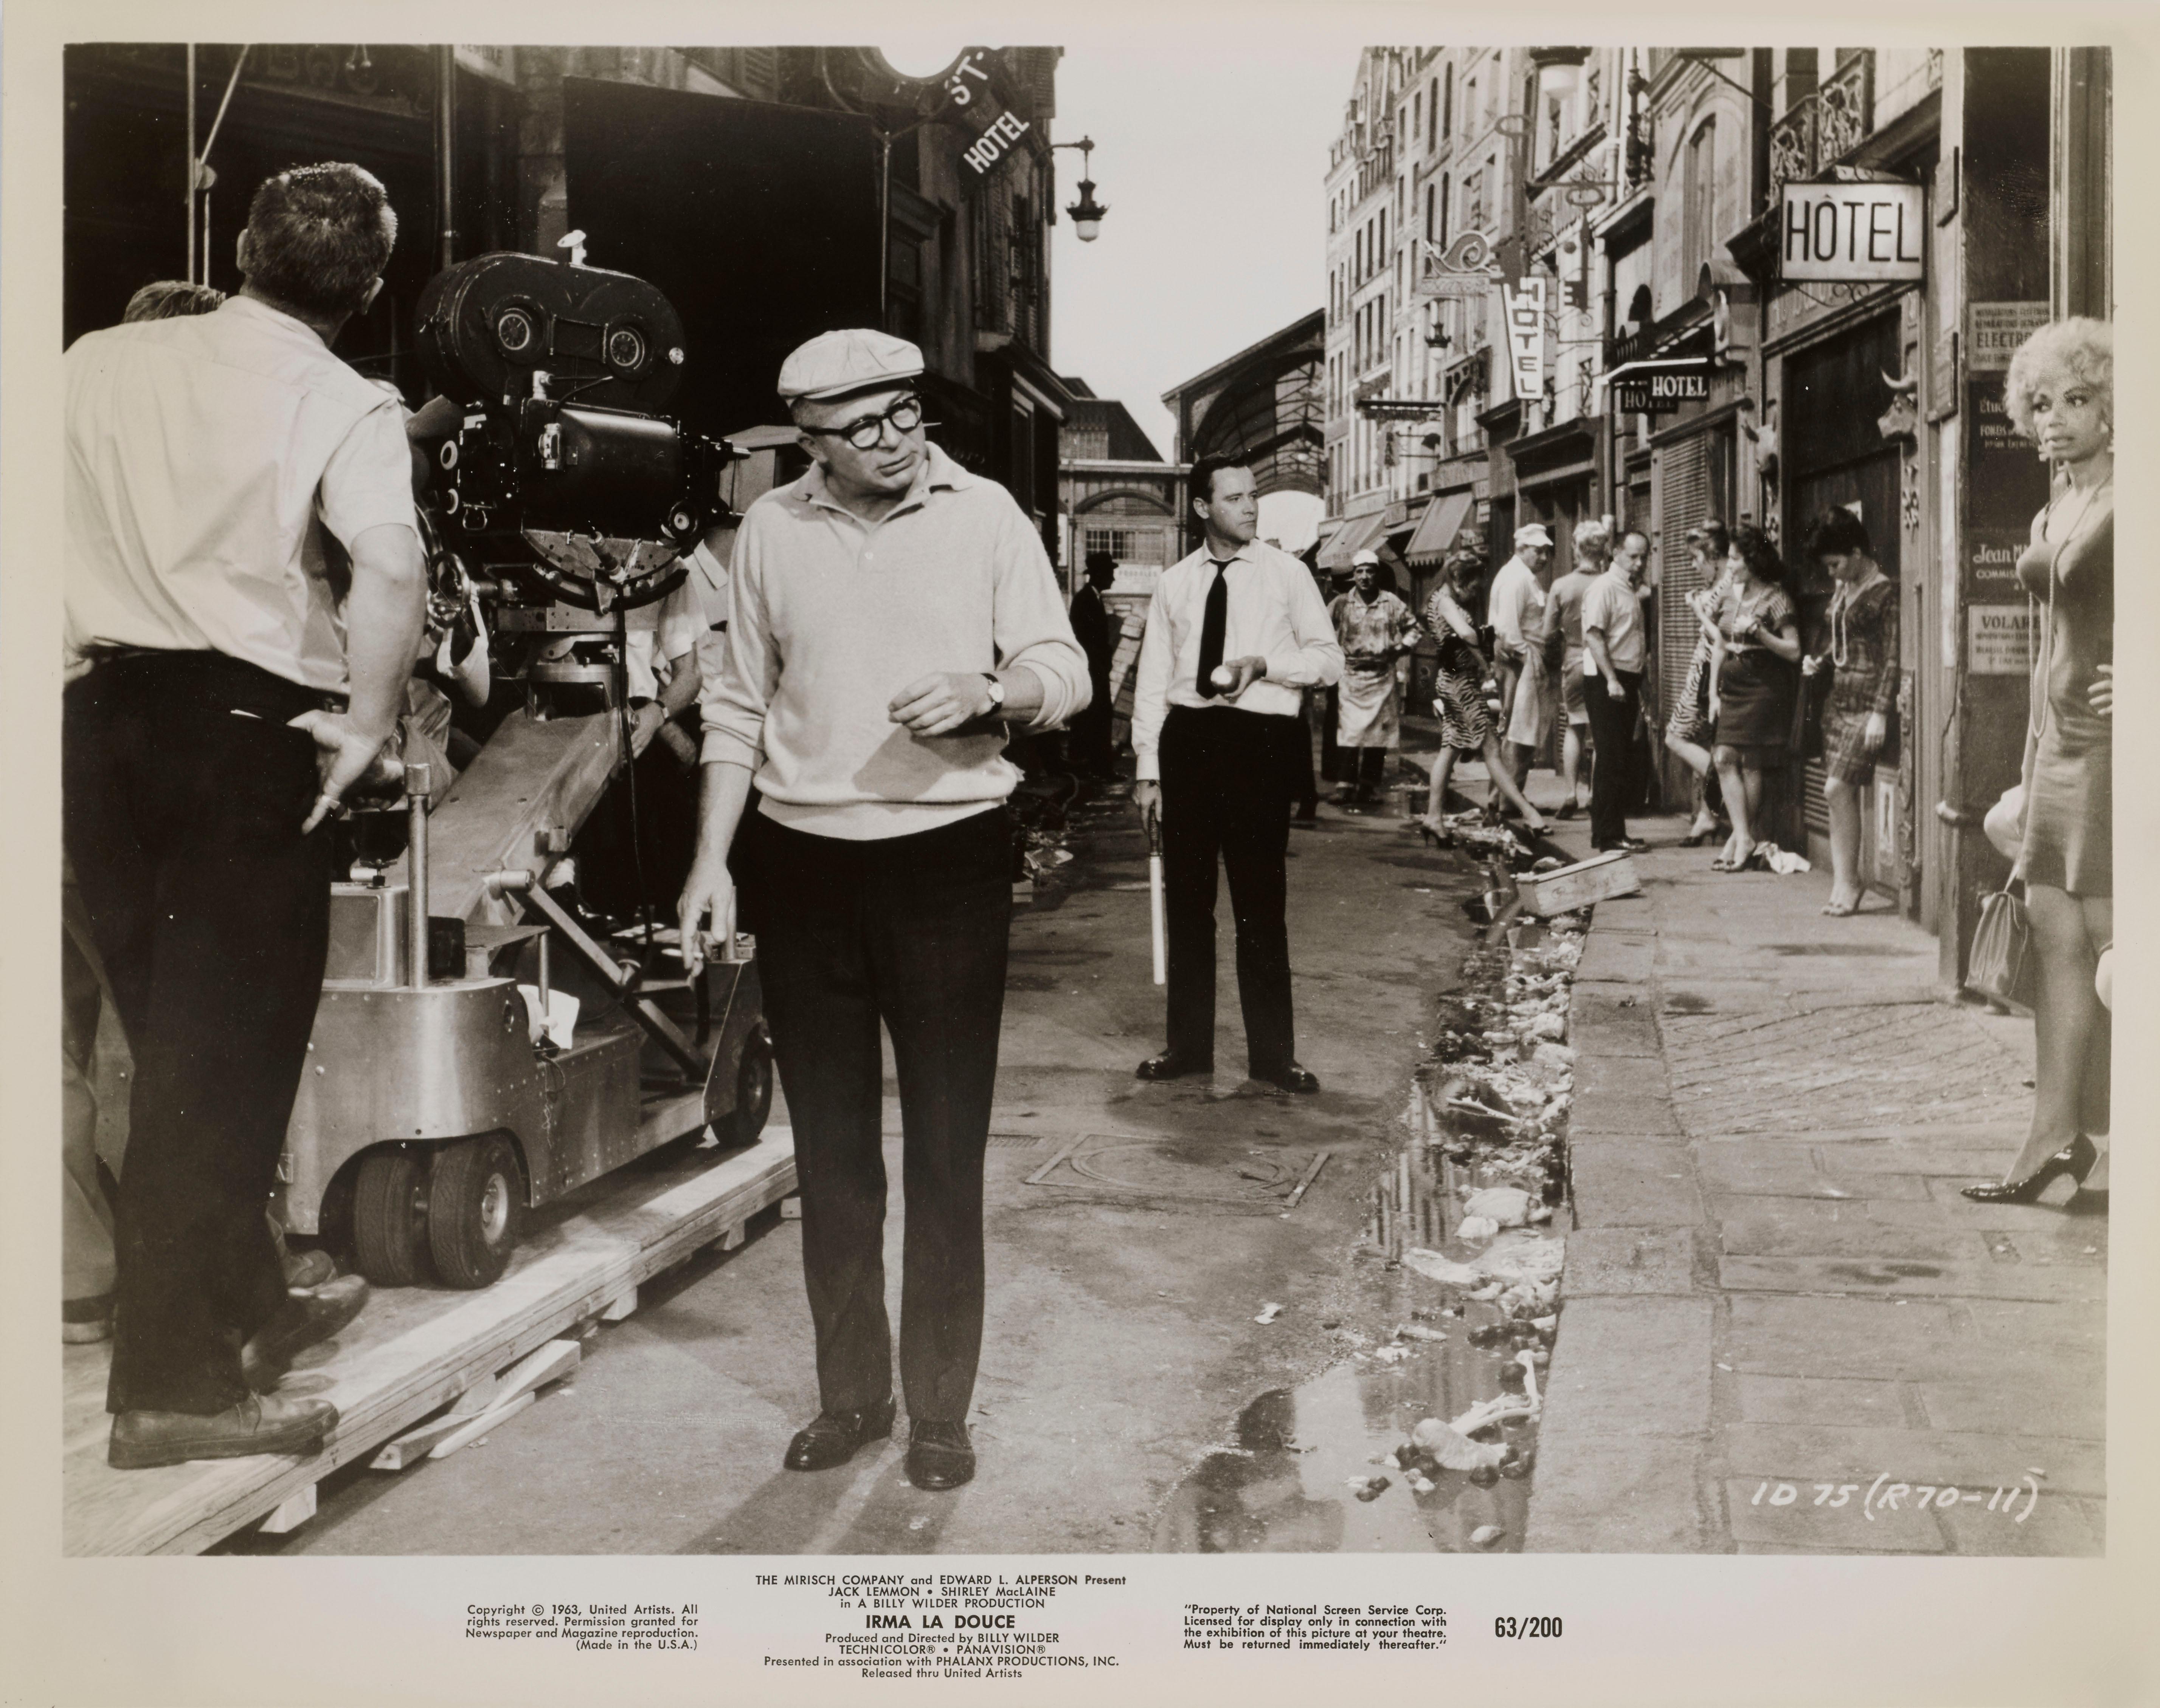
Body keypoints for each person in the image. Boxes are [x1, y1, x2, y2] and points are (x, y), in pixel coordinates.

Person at [677, 329, 1088, 1492]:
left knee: (946, 1154)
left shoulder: (986, 515)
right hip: (801, 871)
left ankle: (940, 1410)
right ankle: (850, 1397)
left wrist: (991, 688)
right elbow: (734, 711)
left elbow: (1065, 667)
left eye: (905, 413)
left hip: (945, 864)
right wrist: (711, 862)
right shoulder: (769, 533)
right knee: (835, 1156)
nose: (897, 440)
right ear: (808, 444)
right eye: (862, 428)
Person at [65, 163, 425, 1468]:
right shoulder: (341, 394)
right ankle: (174, 1396)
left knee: (168, 1052)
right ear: (370, 287)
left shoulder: (92, 362)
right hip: (238, 737)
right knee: (218, 1077)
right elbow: (389, 561)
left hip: (92, 727)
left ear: (236, 246)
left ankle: (248, 1303)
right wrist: (371, 727)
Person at [1131, 456, 1343, 1094]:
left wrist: (1266, 665)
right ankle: (1189, 1047)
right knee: (1188, 904)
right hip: (1188, 742)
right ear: (1201, 508)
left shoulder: (1286, 574)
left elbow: (1327, 659)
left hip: (1259, 743)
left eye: (1253, 496)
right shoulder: (1174, 583)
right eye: (1235, 498)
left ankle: (1274, 1057)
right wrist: (1147, 772)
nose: (1251, 507)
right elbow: (1151, 680)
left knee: (1259, 904)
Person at [1964, 316, 2112, 1210]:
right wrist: (2028, 761)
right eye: (2043, 403)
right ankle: (2052, 1138)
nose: (2055, 420)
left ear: (2115, 406)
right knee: (2058, 945)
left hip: (2120, 754)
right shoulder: (2053, 509)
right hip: (2059, 756)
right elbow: (2042, 653)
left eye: (2079, 400)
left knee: (2117, 956)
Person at [1802, 510, 1899, 916]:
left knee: (1836, 789)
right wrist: (1820, 661)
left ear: (1857, 553)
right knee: (1840, 792)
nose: (1834, 574)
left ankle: (1850, 880)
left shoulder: (1885, 593)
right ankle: (1845, 880)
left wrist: (1881, 712)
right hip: (1838, 703)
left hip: (1867, 704)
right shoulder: (1846, 588)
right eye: (1828, 567)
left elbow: (1895, 655)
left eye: (1837, 564)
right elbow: (1839, 640)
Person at [1416, 549, 1549, 840]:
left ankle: (1433, 817)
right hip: (1460, 683)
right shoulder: (1446, 601)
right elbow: (1464, 634)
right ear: (1459, 578)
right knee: (1491, 749)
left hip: (1454, 680)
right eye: (1473, 582)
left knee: (1450, 749)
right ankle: (1530, 814)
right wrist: (1484, 657)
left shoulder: (1439, 598)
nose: (1476, 589)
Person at [1706, 524, 1802, 871]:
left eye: (1734, 559)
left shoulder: (1777, 599)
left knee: (1744, 761)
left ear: (1753, 561)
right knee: (1726, 759)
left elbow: (1793, 651)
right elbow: (1718, 643)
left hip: (1763, 687)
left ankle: (1741, 837)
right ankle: (1742, 836)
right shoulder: (1731, 596)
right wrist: (1713, 693)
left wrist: (1761, 633)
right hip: (1732, 688)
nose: (1729, 566)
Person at [1580, 523, 1653, 854]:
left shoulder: (1629, 589)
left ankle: (1613, 832)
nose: (1639, 563)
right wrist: (1611, 679)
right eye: (1634, 557)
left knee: (1619, 757)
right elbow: (1594, 635)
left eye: (1644, 557)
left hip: (1627, 678)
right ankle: (1608, 836)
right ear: (1617, 554)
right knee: (1611, 757)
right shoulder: (1605, 588)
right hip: (1608, 679)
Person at [1663, 521, 1736, 845]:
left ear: (1714, 556)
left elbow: (1719, 634)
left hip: (1710, 672)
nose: (1694, 566)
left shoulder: (1729, 585)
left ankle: (1718, 776)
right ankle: (1707, 817)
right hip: (1704, 670)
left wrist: (1696, 609)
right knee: (1704, 739)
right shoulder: (1720, 584)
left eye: (1697, 559)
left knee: (1675, 738)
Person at [1331, 549, 1418, 806]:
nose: (1366, 577)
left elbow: (1414, 628)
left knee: (1377, 734)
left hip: (1382, 675)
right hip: (1351, 675)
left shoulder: (1391, 602)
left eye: (1370, 571)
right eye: (1360, 572)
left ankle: (1368, 786)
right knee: (1349, 732)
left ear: (1377, 574)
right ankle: (1344, 785)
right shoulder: (1342, 604)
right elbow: (1323, 629)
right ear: (1354, 577)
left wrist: (1401, 648)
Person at [1546, 521, 1609, 819]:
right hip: (1603, 660)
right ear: (1602, 551)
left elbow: (1548, 632)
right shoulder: (1609, 583)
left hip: (1572, 659)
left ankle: (1571, 793)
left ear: (1576, 549)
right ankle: (1595, 794)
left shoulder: (1561, 586)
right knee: (1599, 731)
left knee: (1574, 725)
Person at [1486, 523, 1555, 791]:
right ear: (1521, 549)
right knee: (1518, 731)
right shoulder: (1516, 578)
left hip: (1523, 660)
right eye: (1538, 551)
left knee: (1521, 729)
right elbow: (1507, 629)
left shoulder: (1525, 576)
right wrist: (1529, 658)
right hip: (1518, 661)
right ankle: (1505, 798)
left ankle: (1506, 795)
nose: (1544, 558)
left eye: (1546, 552)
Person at [1067, 551, 1122, 778]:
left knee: (1094, 718)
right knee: (1094, 718)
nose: (1113, 579)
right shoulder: (1086, 601)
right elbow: (1087, 640)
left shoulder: (1091, 598)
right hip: (1091, 671)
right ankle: (1093, 769)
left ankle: (1094, 768)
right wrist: (1100, 665)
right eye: (1110, 573)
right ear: (1099, 575)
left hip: (1094, 670)